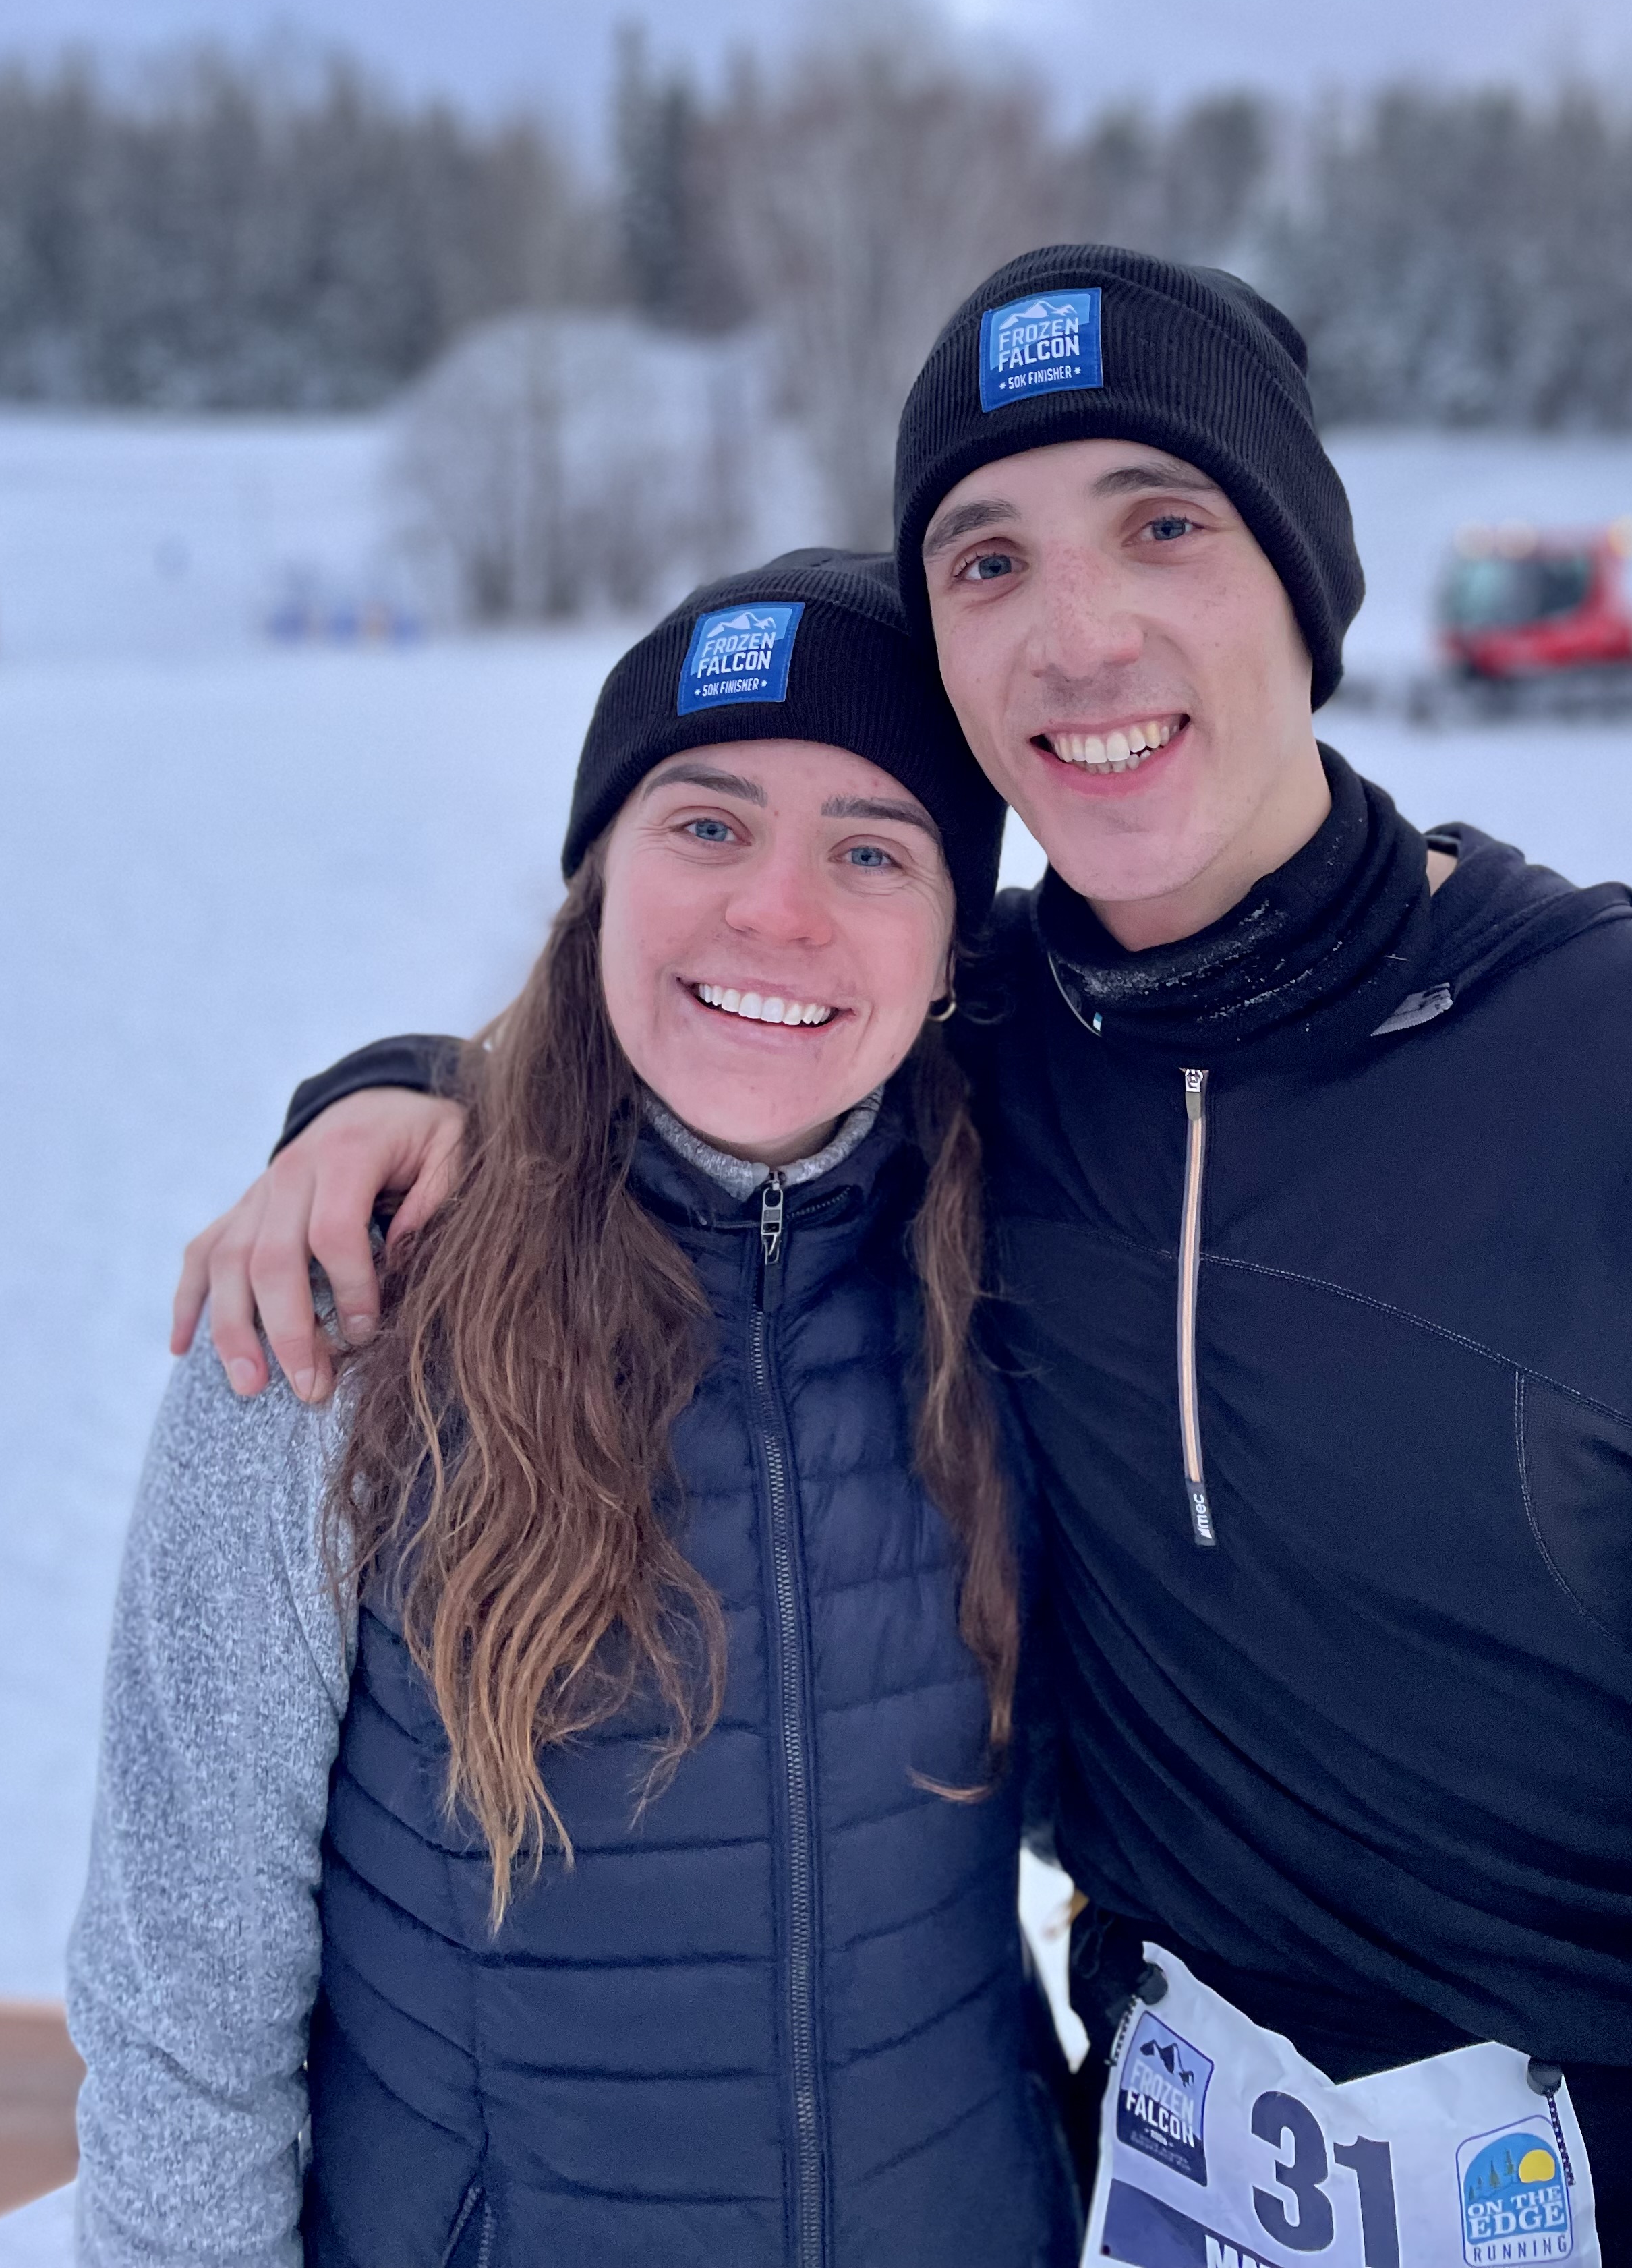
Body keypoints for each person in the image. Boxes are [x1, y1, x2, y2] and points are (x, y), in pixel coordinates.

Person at [179, 249, 1632, 2268]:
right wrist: (396, 1100)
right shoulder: (980, 1047)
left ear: (1306, 581)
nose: (1079, 634)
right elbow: (705, 1049)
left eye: (1163, 526)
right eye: (988, 562)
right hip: (1153, 2197)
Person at [71, 550, 1079, 2268]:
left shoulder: (1024, 1288)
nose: (776, 909)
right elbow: (185, 2011)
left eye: (871, 851)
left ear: (948, 953)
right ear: (598, 880)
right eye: (706, 824)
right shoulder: (347, 1316)